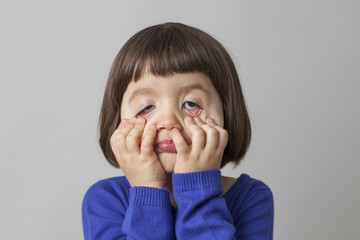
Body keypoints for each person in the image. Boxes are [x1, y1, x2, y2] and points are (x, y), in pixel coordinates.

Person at [82, 22, 274, 240]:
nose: (168, 121)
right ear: (118, 120)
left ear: (226, 115)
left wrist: (198, 187)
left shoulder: (252, 198)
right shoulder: (104, 200)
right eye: (146, 108)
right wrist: (148, 190)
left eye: (192, 104)